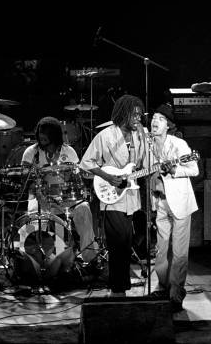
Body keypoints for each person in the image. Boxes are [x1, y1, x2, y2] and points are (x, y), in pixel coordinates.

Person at [79, 95, 147, 297]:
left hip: (131, 196)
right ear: (123, 114)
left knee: (126, 244)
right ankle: (118, 290)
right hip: (111, 196)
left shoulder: (141, 136)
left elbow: (142, 164)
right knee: (118, 245)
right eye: (133, 114)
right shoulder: (105, 136)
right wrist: (108, 177)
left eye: (139, 114)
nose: (137, 118)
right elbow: (87, 162)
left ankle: (121, 287)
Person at [21, 117, 98, 267]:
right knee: (33, 215)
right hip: (40, 196)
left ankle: (91, 259)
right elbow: (26, 181)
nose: (42, 137)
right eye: (40, 134)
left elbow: (77, 178)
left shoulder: (69, 152)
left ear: (54, 135)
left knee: (84, 209)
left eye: (46, 134)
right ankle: (33, 262)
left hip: (66, 198)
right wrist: (39, 195)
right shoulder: (31, 152)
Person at [148, 103, 199, 312]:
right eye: (153, 118)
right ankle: (162, 287)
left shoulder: (179, 144)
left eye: (160, 119)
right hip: (160, 202)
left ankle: (176, 294)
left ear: (168, 125)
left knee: (179, 253)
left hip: (179, 202)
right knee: (160, 251)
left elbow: (194, 169)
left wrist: (174, 169)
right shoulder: (148, 145)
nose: (154, 121)